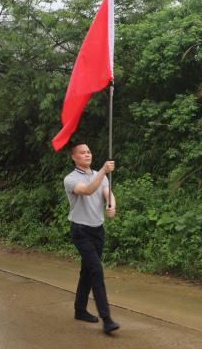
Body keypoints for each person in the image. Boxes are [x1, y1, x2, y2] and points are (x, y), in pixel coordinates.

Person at [63, 142, 119, 334]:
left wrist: (111, 205)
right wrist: (104, 170)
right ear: (74, 157)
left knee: (87, 271)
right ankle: (107, 319)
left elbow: (107, 192)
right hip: (81, 231)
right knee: (96, 270)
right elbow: (87, 190)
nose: (87, 154)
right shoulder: (70, 179)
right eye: (82, 152)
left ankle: (80, 310)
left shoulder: (98, 175)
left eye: (89, 151)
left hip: (98, 231)